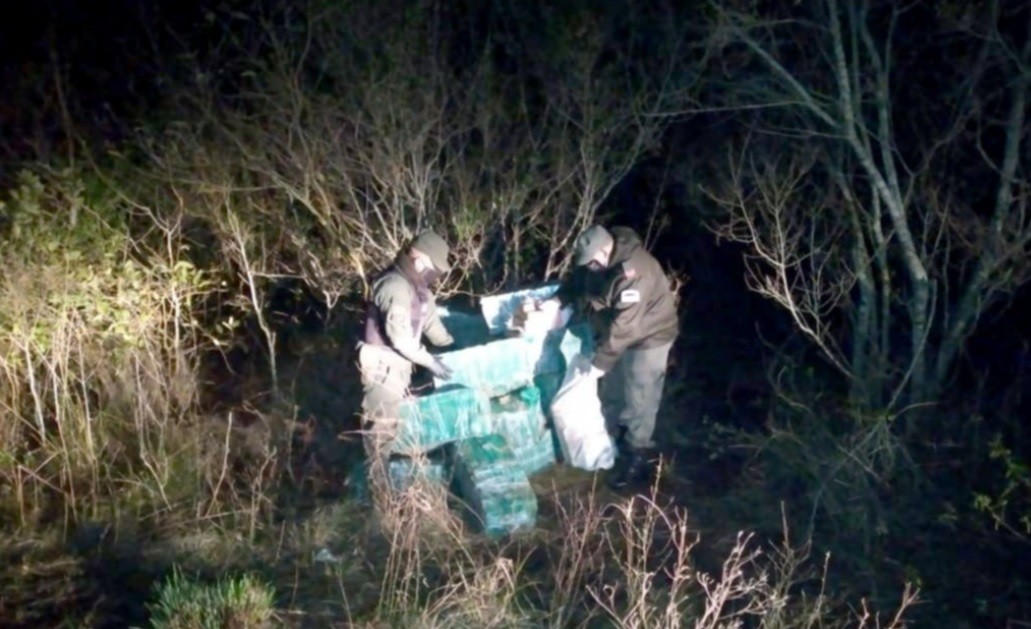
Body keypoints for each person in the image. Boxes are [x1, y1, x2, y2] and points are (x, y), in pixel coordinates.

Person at [550, 224, 679, 489]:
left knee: (639, 396)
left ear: (605, 249)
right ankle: (611, 441)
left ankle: (637, 457)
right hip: (617, 333)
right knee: (614, 390)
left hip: (649, 337)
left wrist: (599, 364)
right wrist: (558, 299)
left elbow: (627, 326)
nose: (591, 266)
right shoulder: (596, 259)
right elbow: (577, 280)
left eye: (593, 262)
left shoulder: (635, 272)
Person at [357, 230, 456, 471]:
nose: (435, 275)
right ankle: (381, 496)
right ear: (420, 260)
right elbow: (400, 337)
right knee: (381, 433)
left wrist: (455, 347)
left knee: (395, 428)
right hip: (381, 367)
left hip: (400, 368)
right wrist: (429, 361)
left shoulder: (421, 291)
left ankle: (394, 486)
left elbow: (434, 327)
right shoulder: (393, 285)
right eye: (434, 268)